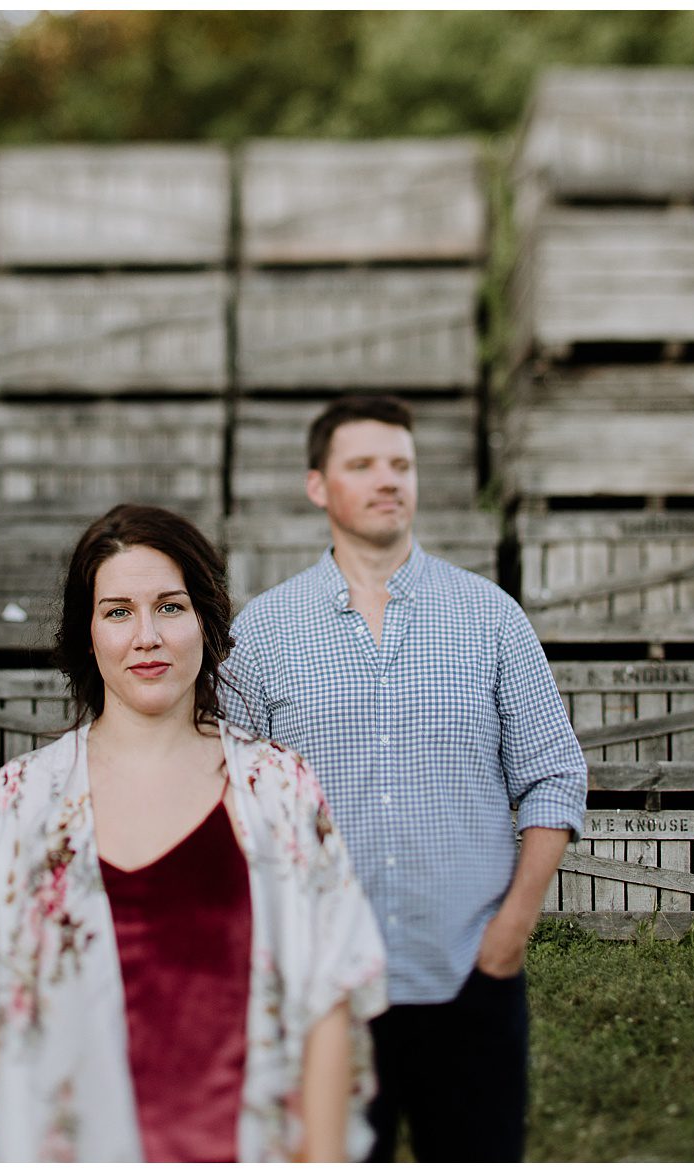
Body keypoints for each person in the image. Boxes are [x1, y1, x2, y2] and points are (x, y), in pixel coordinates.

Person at [0, 503, 388, 1162]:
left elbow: (329, 1004)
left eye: (169, 607)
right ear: (87, 633)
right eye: (118, 611)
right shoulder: (23, 798)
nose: (146, 634)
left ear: (205, 621)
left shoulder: (280, 787)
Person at [220, 395, 588, 1162]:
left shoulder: (490, 617)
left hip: (470, 974)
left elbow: (553, 776)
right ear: (318, 485)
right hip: (325, 990)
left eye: (401, 464)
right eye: (363, 465)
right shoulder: (262, 633)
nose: (388, 480)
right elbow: (228, 798)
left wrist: (510, 935)